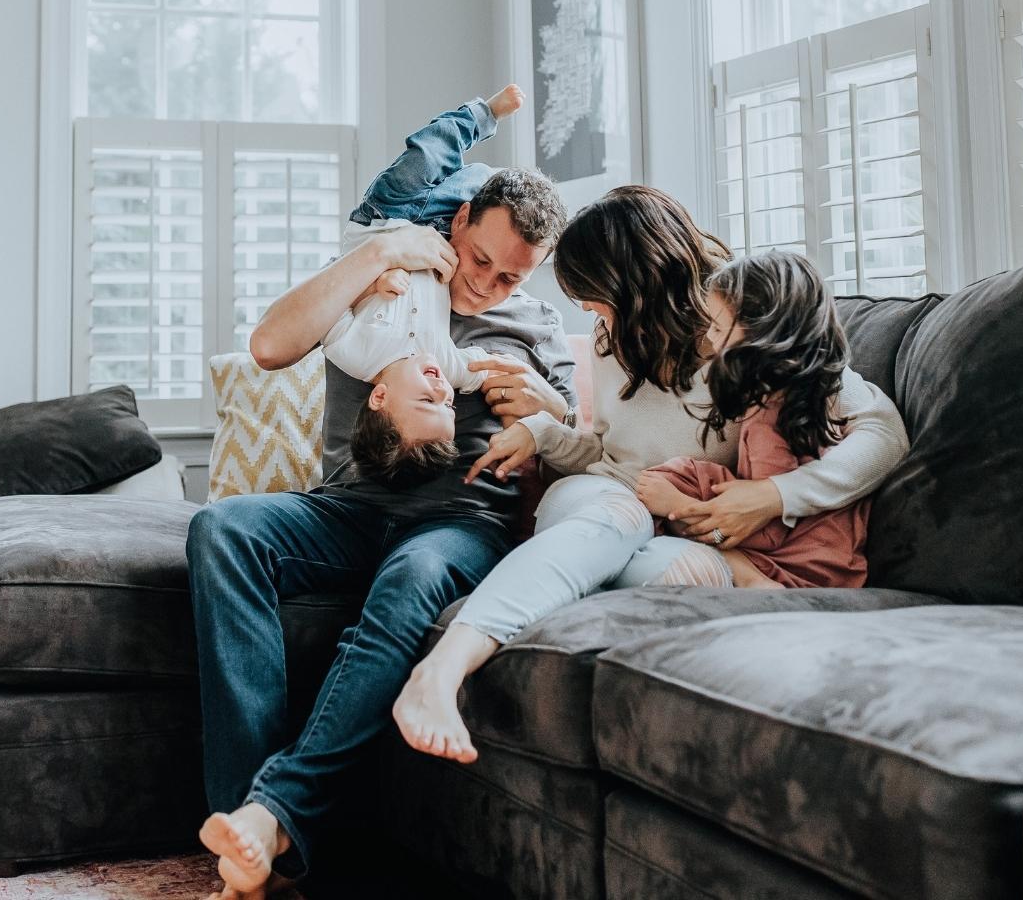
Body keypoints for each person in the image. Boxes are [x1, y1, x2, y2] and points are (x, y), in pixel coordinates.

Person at [392, 186, 907, 765]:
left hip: (682, 532)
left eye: (594, 298)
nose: (589, 315)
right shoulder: (613, 339)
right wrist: (543, 432)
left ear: (634, 283)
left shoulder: (742, 326)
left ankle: (531, 619)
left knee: (663, 570)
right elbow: (606, 455)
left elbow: (884, 435)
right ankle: (442, 668)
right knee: (617, 519)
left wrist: (773, 496)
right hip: (608, 498)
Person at [188, 135, 577, 898]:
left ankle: (270, 816)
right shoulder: (385, 276)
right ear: (459, 222)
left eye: (512, 277)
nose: (489, 286)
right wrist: (378, 254)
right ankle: (246, 821)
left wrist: (548, 412)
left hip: (461, 522)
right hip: (348, 508)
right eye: (480, 261)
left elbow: (573, 454)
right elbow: (269, 346)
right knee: (222, 529)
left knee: (414, 574)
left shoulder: (536, 330)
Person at [631, 249, 869, 590]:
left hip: (806, 568)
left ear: (760, 334)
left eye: (716, 327)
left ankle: (753, 582)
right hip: (833, 558)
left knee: (677, 488)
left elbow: (768, 533)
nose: (710, 341)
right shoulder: (805, 396)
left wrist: (678, 506)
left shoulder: (768, 419)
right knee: (690, 476)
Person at [328, 85, 528, 485]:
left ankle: (483, 114)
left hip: (385, 216)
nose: (441, 389)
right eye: (449, 405)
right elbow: (494, 372)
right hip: (438, 232)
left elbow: (329, 295)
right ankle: (488, 177)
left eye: (426, 399)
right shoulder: (447, 364)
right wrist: (541, 410)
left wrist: (372, 285)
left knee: (428, 153)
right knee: (491, 187)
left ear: (380, 398)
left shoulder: (353, 353)